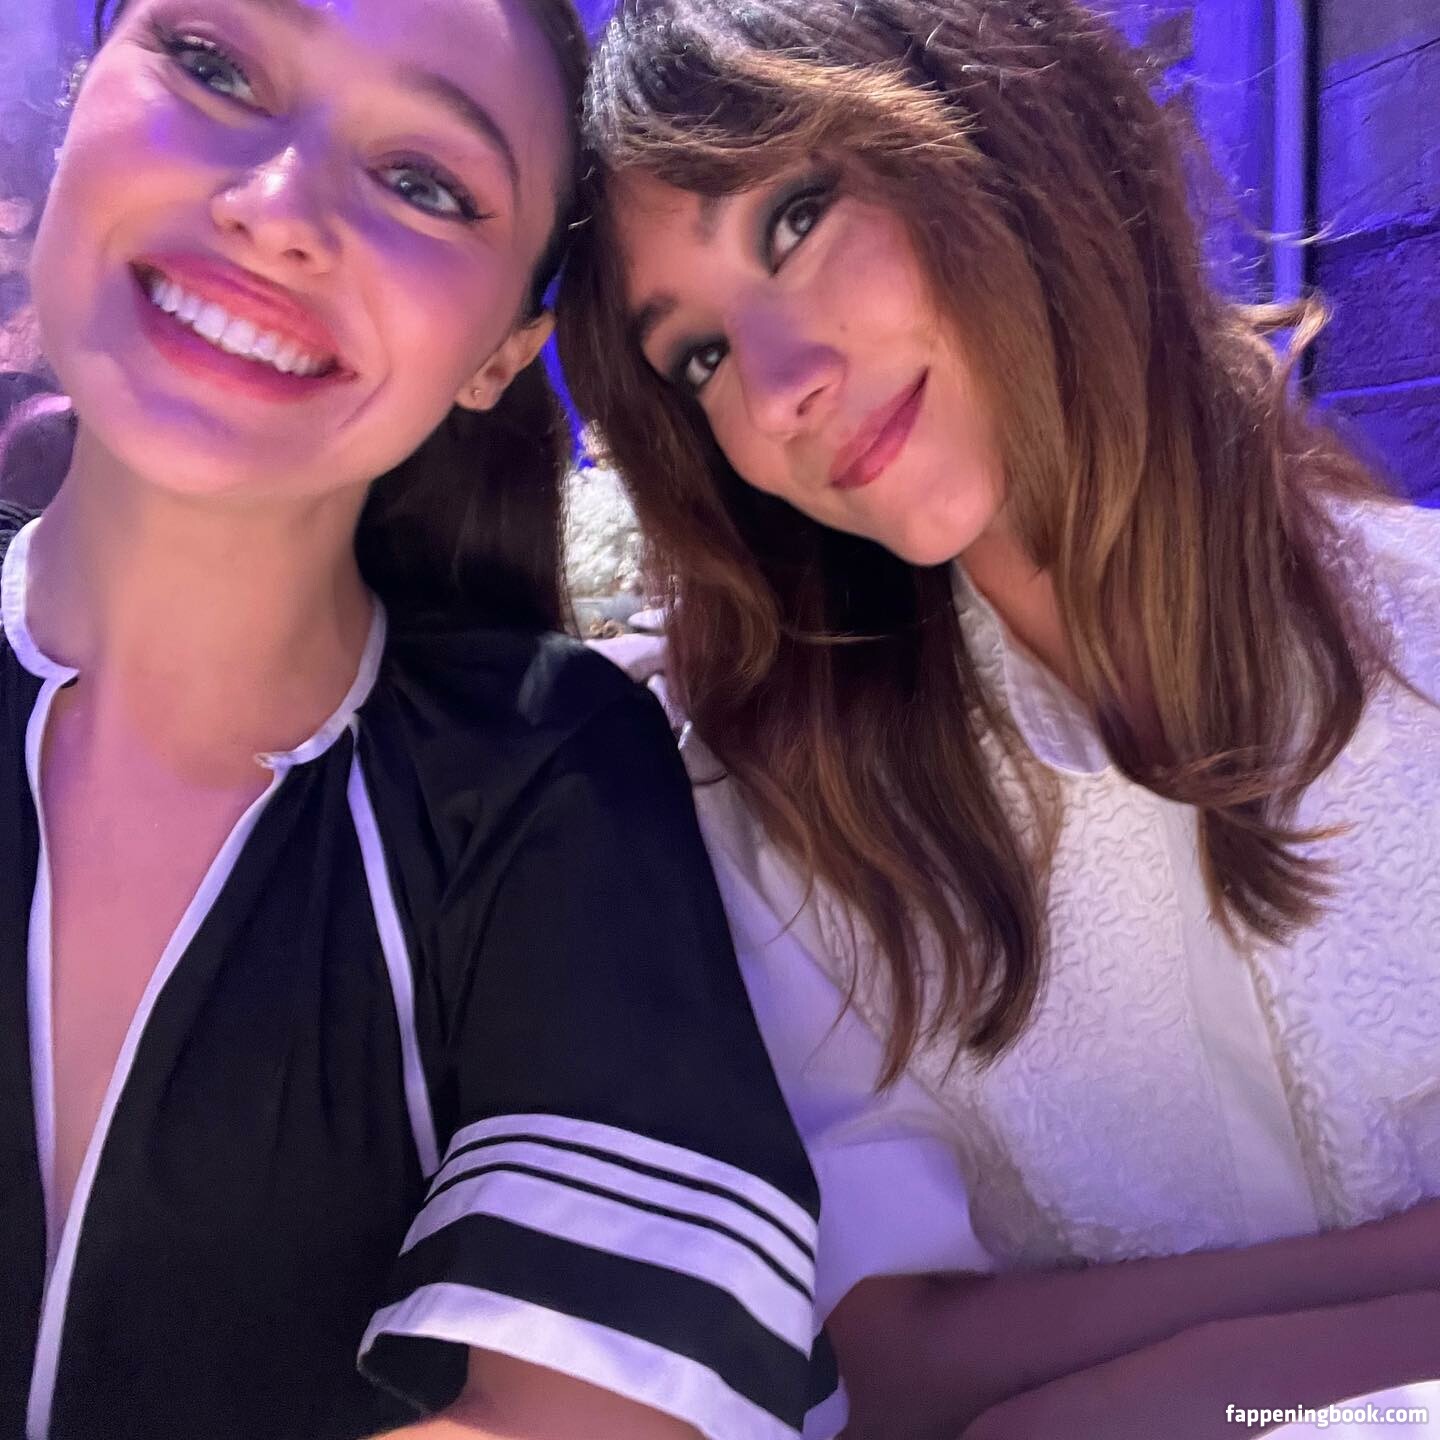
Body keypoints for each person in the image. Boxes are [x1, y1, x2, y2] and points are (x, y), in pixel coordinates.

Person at [554, 0, 1440, 1434]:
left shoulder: (1421, 638)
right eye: (699, 357)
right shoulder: (786, 805)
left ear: (997, 130)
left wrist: (1142, 1397)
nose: (778, 390)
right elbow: (897, 1364)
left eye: (797, 220)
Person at [0, 0, 838, 1436]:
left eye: (425, 183)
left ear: (503, 352)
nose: (278, 211)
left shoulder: (546, 768)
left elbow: (586, 1414)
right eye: (210, 64)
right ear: (75, 116)